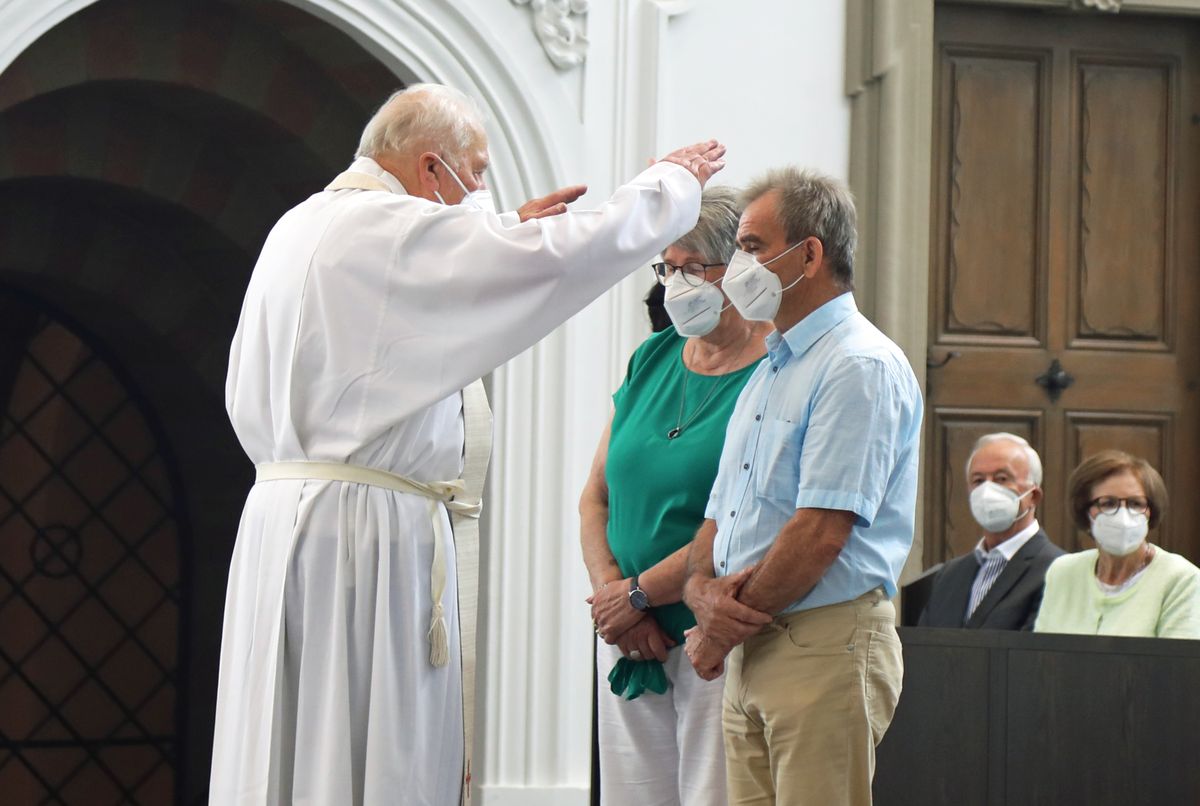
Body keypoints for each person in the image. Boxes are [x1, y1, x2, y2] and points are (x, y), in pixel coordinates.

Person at [211, 82, 726, 806]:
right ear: (431, 168)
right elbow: (561, 256)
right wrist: (668, 186)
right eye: (476, 172)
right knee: (368, 744)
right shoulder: (391, 227)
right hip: (366, 536)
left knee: (293, 738)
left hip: (284, 525)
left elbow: (414, 299)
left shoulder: (301, 226)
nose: (480, 190)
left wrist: (504, 232)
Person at [681, 167, 922, 805]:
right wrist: (700, 591)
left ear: (809, 255)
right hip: (753, 646)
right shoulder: (772, 368)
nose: (737, 266)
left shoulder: (858, 364)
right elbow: (720, 515)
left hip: (823, 642)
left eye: (752, 247)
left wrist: (720, 627)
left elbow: (820, 531)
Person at [579, 187, 771, 806]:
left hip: (710, 630)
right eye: (667, 268)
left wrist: (639, 594)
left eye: (693, 267)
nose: (675, 285)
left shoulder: (774, 371)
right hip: (628, 632)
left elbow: (745, 521)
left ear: (738, 269)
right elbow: (596, 497)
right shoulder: (652, 357)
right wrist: (615, 599)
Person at [1034, 450, 1200, 639]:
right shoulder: (1063, 571)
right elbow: (1040, 651)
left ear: (1151, 511)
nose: (1123, 515)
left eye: (1136, 504)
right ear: (1085, 511)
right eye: (1108, 503)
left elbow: (1177, 656)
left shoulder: (1181, 579)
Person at [918, 433, 1064, 630]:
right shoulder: (948, 575)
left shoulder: (1058, 570)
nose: (987, 490)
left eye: (1001, 479)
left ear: (1034, 496)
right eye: (978, 481)